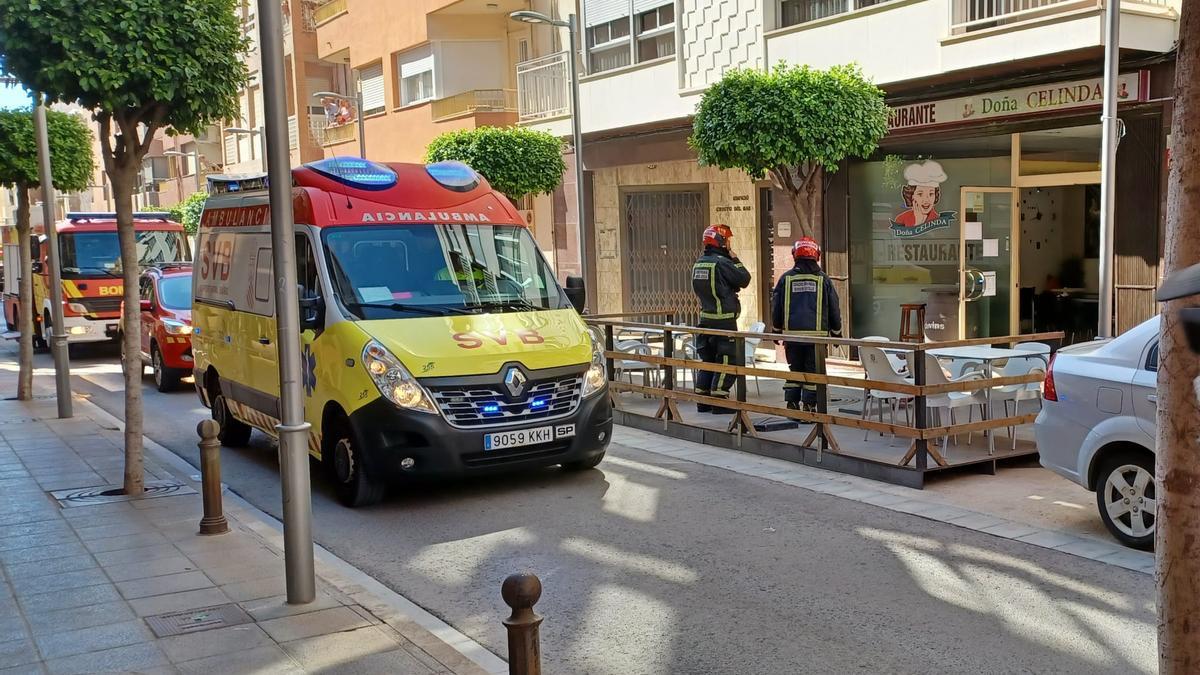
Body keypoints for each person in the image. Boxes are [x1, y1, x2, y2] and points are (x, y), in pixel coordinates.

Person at [771, 237, 842, 411]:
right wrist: (837, 332)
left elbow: (776, 307)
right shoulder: (823, 279)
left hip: (792, 338)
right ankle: (809, 406)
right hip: (816, 341)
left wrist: (776, 329)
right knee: (813, 372)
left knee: (794, 370)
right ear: (816, 256)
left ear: (795, 255)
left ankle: (792, 403)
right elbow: (834, 307)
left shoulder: (785, 279)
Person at [691, 224, 751, 414]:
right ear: (721, 241)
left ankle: (703, 399)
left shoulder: (699, 263)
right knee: (727, 359)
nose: (729, 244)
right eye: (727, 240)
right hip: (724, 320)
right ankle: (720, 399)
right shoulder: (722, 263)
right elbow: (744, 279)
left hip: (705, 319)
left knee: (708, 359)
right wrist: (735, 258)